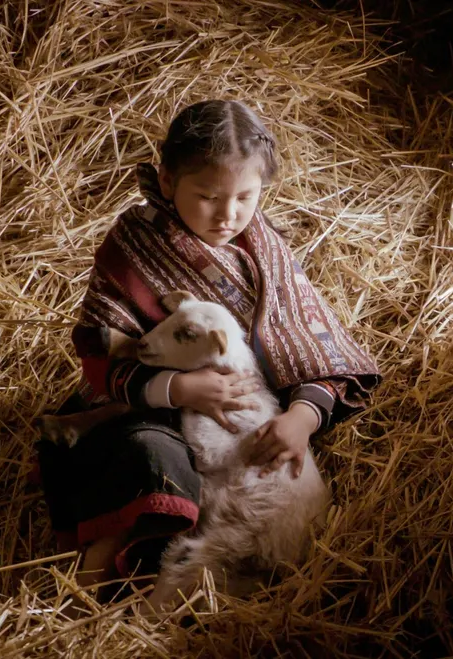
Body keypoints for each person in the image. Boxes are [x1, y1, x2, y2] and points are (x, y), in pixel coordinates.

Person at [31, 99, 381, 596]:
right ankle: (95, 579)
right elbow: (101, 349)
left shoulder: (265, 251)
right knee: (150, 457)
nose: (228, 214)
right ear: (169, 181)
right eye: (208, 196)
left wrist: (301, 418)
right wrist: (179, 389)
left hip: (246, 424)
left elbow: (310, 340)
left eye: (245, 197)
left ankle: (205, 570)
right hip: (148, 409)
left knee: (262, 502)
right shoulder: (133, 245)